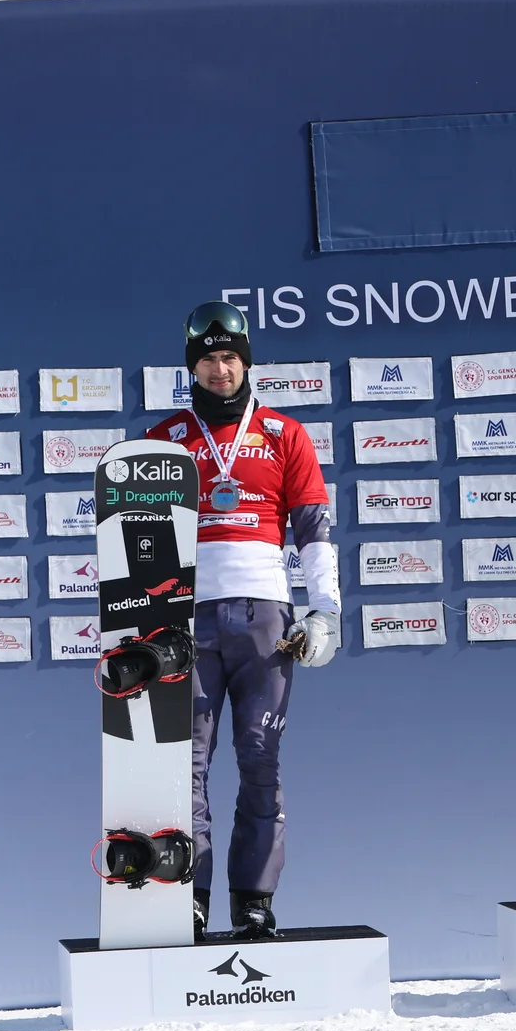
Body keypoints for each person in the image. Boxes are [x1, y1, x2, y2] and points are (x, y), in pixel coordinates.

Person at [142, 302, 340, 938]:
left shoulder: (284, 433)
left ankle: (254, 900)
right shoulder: (164, 439)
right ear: (191, 367)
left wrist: (325, 610)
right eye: (208, 359)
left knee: (259, 758)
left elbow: (313, 531)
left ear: (246, 362)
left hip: (265, 618)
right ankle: (189, 895)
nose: (219, 369)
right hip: (186, 621)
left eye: (230, 357)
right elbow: (141, 540)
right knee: (186, 765)